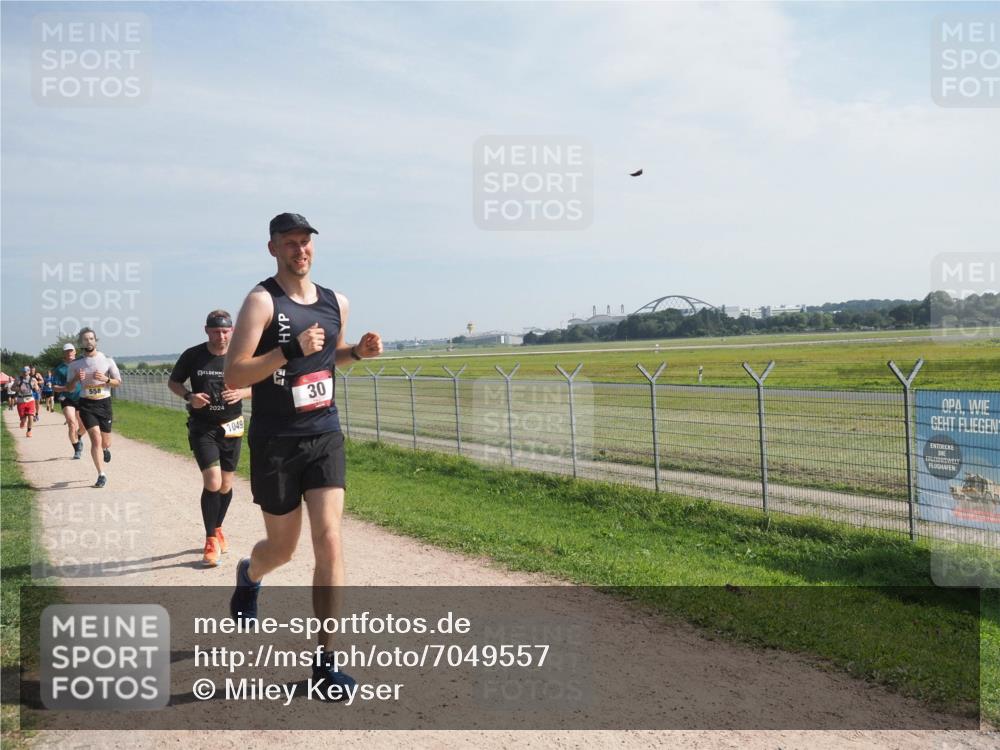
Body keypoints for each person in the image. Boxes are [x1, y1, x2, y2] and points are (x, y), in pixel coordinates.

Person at [224, 212, 382, 700]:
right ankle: (250, 575)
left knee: (330, 540)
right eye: (290, 243)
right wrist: (286, 352)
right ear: (272, 249)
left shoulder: (337, 302)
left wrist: (356, 353)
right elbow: (234, 375)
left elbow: (327, 355)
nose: (300, 250)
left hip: (323, 433)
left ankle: (325, 661)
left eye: (306, 242)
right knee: (283, 550)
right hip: (275, 442)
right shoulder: (260, 301)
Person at [168, 310, 251, 567]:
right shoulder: (193, 355)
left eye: (225, 331)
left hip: (233, 425)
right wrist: (189, 397)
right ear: (206, 330)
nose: (221, 336)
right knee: (213, 481)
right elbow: (174, 382)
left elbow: (263, 384)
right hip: (203, 426)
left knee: (226, 484)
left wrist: (242, 393)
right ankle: (210, 540)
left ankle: (217, 527)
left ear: (233, 330)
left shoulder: (242, 355)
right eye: (216, 331)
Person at [68, 328, 122, 488]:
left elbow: (118, 382)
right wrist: (76, 379)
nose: (88, 342)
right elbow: (69, 388)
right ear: (81, 343)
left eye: (91, 338)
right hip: (86, 404)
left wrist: (106, 379)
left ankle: (105, 449)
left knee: (106, 441)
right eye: (85, 339)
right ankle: (101, 474)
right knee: (95, 439)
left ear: (95, 341)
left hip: (104, 403)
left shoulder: (107, 360)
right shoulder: (75, 364)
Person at [53, 343, 86, 459]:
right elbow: (54, 387)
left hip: (82, 397)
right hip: (67, 398)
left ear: (75, 352)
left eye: (71, 351)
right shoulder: (59, 369)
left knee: (84, 426)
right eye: (67, 351)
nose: (69, 353)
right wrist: (65, 388)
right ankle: (76, 448)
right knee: (72, 423)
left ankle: (78, 436)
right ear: (64, 353)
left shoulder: (82, 364)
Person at [15, 366, 37, 437]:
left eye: (26, 371)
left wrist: (36, 388)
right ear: (22, 372)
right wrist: (18, 389)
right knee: (23, 418)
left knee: (31, 416)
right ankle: (22, 421)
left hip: (30, 399)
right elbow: (12, 387)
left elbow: (37, 387)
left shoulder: (33, 379)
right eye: (23, 372)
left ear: (29, 372)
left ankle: (29, 431)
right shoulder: (18, 379)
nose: (25, 373)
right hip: (21, 401)